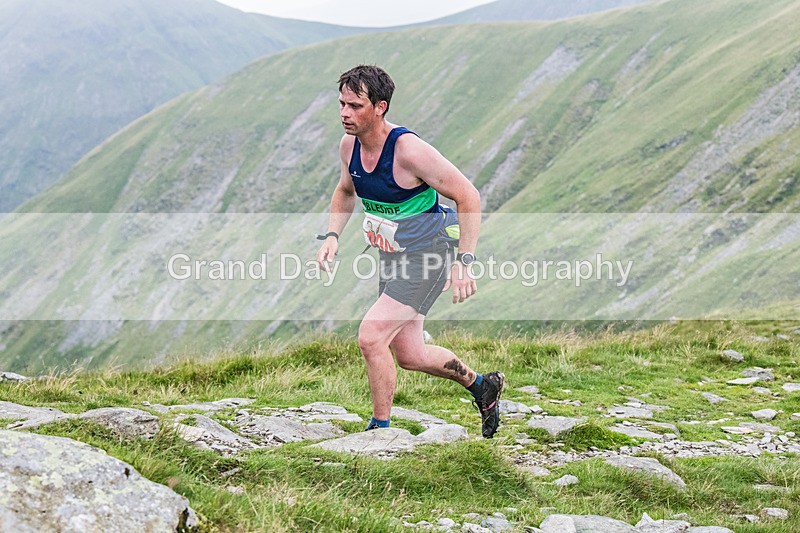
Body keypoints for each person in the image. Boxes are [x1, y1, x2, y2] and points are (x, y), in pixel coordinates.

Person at [316, 65, 504, 438]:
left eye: (355, 106)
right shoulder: (349, 146)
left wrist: (464, 263)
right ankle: (483, 386)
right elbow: (345, 190)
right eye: (342, 104)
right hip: (393, 257)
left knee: (371, 336)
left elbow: (468, 196)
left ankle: (380, 430)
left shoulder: (409, 151)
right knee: (410, 355)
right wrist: (332, 235)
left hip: (430, 254)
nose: (344, 114)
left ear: (380, 107)